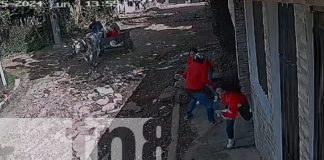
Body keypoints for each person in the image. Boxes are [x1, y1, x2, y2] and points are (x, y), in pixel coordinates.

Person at [183, 48, 216, 124]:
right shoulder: (203, 67)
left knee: (193, 100)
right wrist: (210, 83)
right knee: (209, 104)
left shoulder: (191, 64)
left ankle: (188, 114)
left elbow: (185, 75)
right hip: (197, 89)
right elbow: (204, 80)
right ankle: (211, 120)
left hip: (188, 87)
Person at [215, 80, 249, 149]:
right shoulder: (226, 94)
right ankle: (230, 139)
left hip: (240, 107)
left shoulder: (233, 96)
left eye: (221, 92)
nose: (219, 94)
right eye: (218, 92)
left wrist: (221, 112)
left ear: (226, 90)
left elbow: (231, 113)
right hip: (232, 105)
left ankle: (231, 140)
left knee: (229, 125)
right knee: (229, 125)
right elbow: (226, 103)